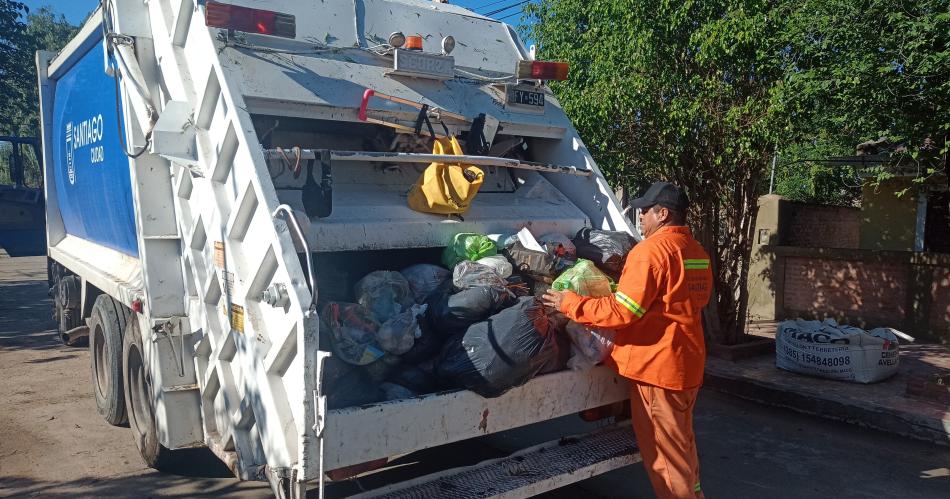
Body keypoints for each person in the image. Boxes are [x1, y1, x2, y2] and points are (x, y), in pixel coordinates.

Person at [543, 181, 712, 499]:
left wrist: (569, 303)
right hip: (686, 361)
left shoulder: (650, 252)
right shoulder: (697, 252)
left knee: (665, 458)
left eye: (646, 211)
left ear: (663, 214)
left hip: (657, 370)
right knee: (682, 446)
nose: (641, 217)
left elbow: (623, 311)